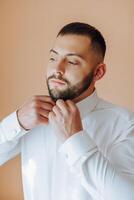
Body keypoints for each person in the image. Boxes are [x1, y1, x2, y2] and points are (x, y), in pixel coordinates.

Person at [0, 22, 134, 200]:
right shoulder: (29, 119)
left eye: (72, 61)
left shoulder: (125, 124)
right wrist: (16, 122)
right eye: (53, 58)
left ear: (98, 72)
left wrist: (75, 139)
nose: (57, 69)